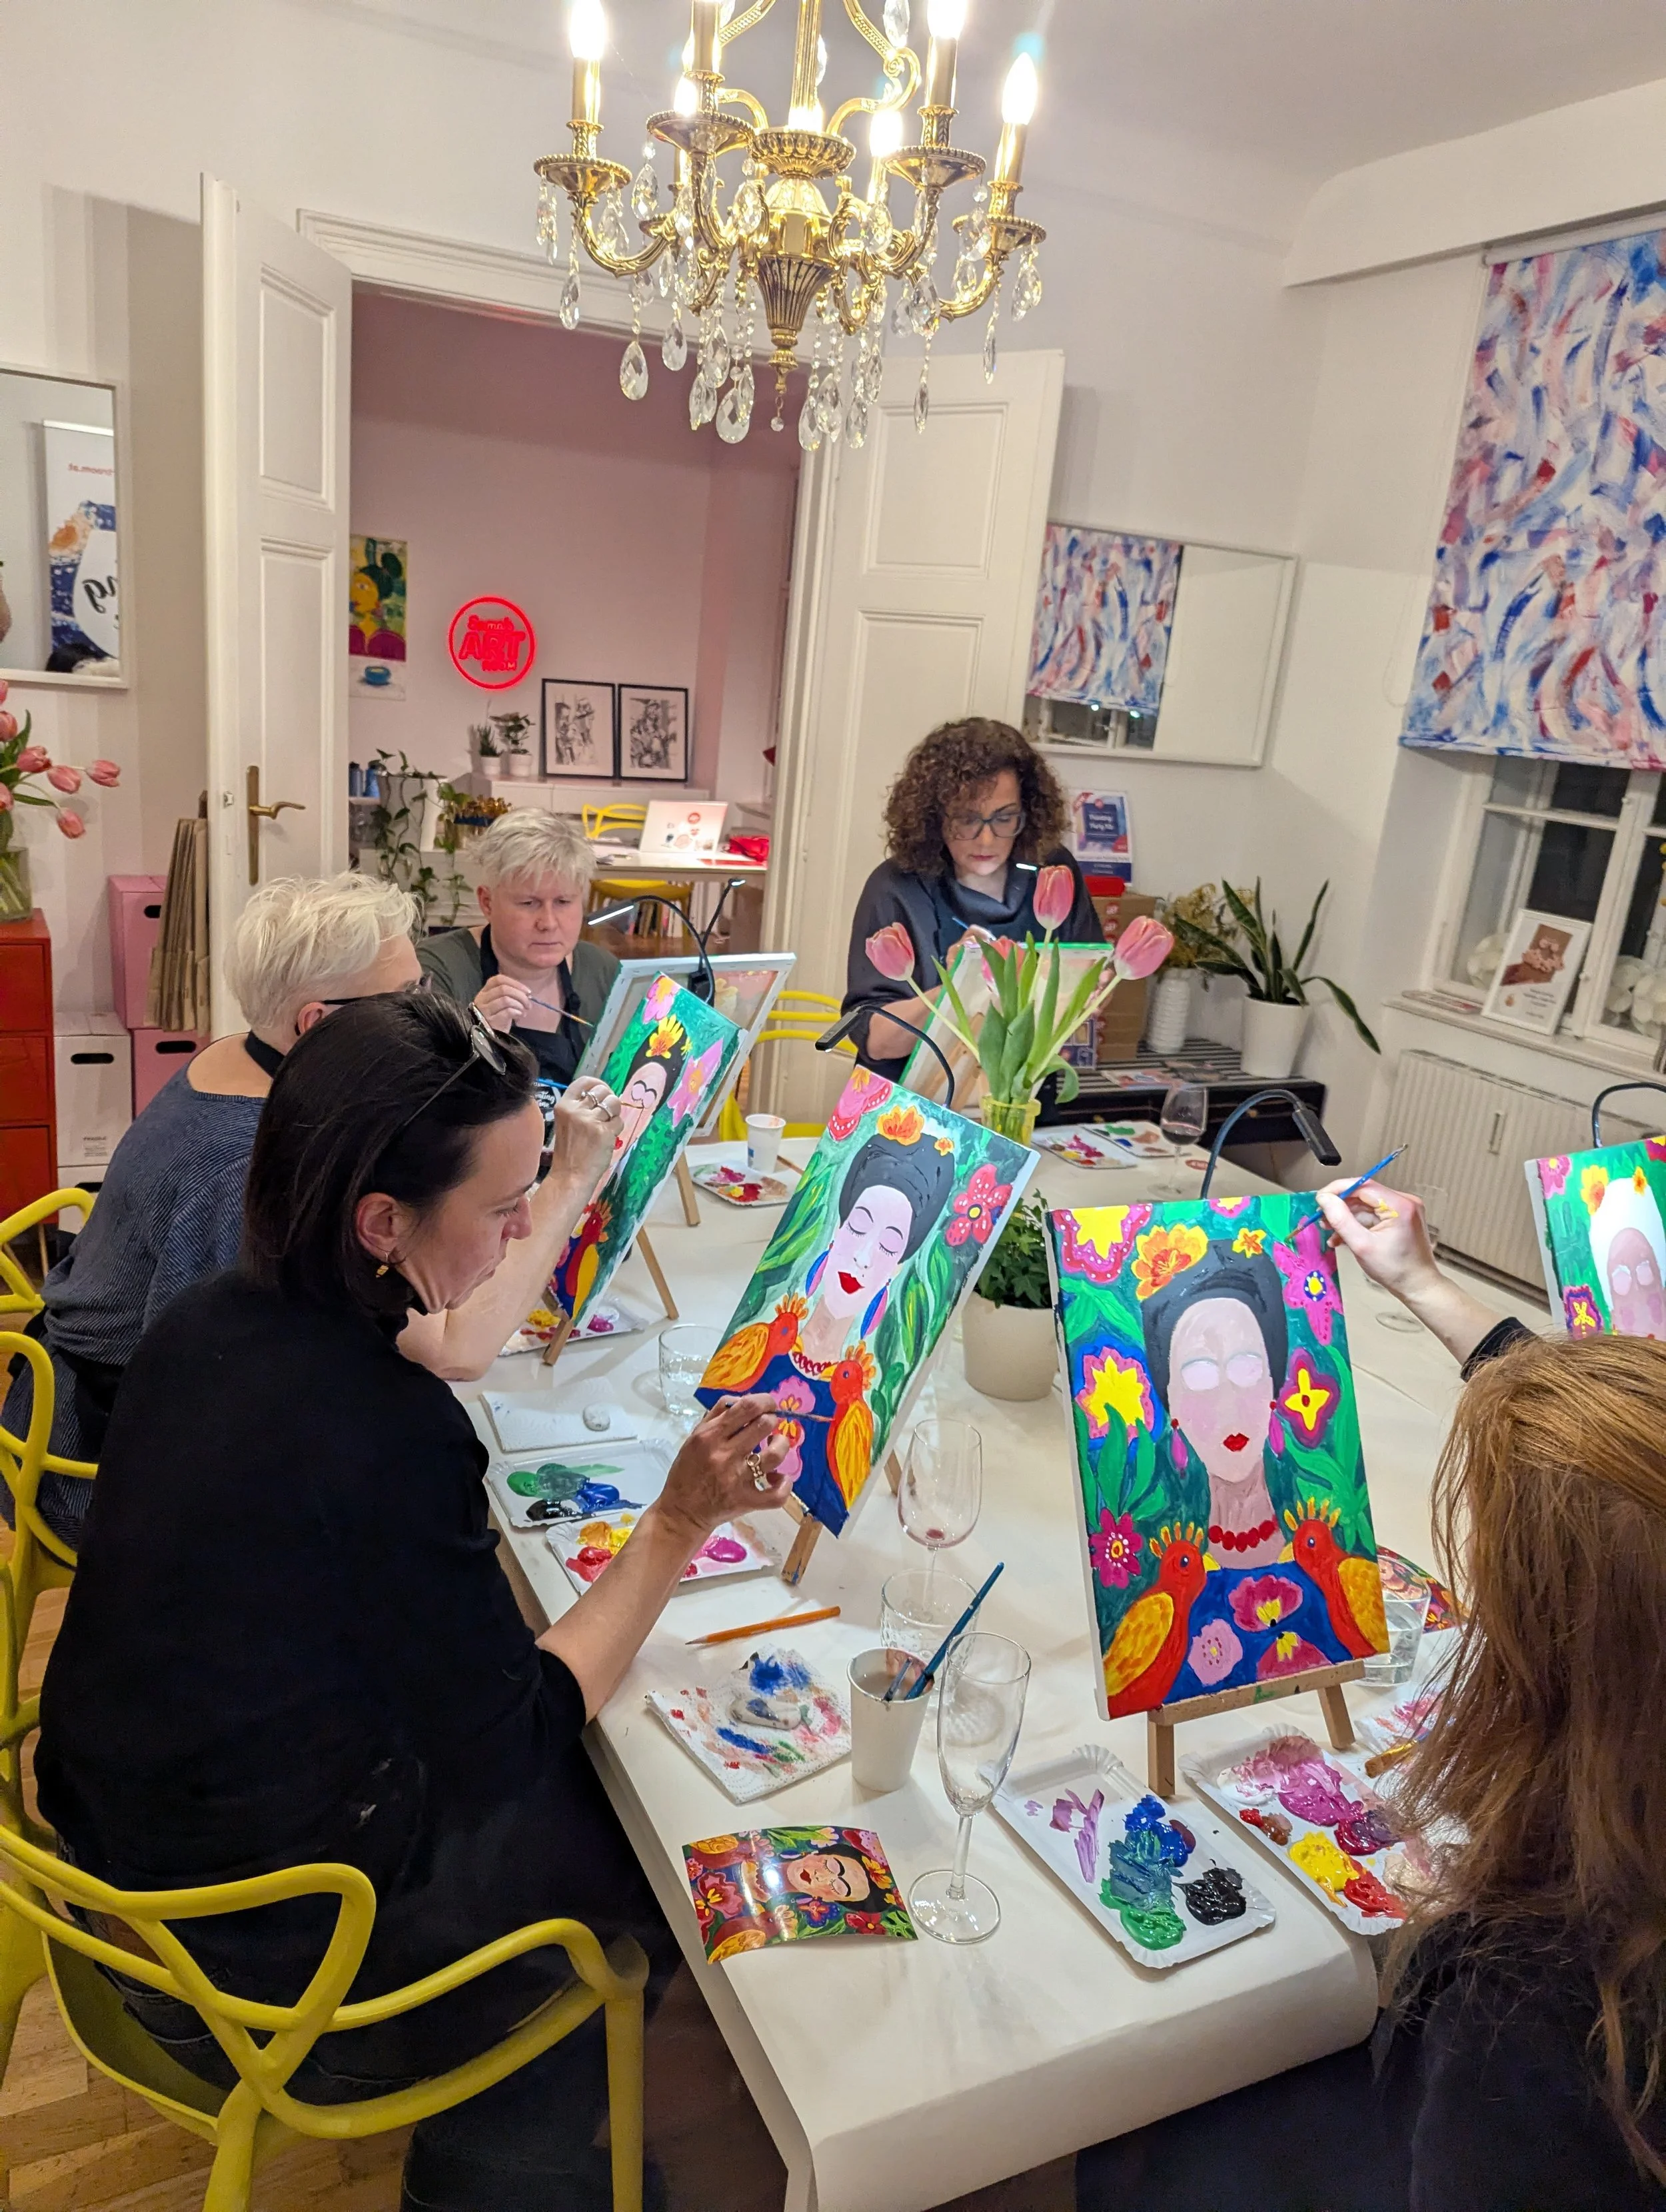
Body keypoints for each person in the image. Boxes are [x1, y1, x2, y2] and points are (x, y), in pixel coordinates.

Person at [35, 993, 795, 2212]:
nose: (515, 1242)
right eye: (504, 1210)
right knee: (640, 1859)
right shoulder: (382, 1435)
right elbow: (517, 1735)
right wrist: (673, 1526)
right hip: (244, 1965)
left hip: (106, 1865)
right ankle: (508, 2166)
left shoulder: (212, 1322)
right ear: (383, 1222)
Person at [1077, 1181, 1666, 2212]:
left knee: (1152, 2130)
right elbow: (1623, 1488)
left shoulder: (1543, 2007)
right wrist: (1424, 1283)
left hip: (1453, 2126)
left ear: (1562, 1653)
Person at [0, 873, 616, 1542]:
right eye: (408, 1000)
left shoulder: (247, 1058)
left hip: (122, 1396)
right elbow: (453, 1349)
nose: (438, 1012)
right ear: (318, 1023)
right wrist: (570, 1178)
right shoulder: (261, 1153)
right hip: (101, 1459)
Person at [842, 718, 1103, 1081]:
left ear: (1027, 813)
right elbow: (877, 1043)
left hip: (1021, 1096)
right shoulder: (896, 887)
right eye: (966, 821)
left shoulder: (1053, 871)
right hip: (910, 1108)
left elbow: (1088, 987)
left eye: (1004, 818)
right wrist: (960, 986)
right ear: (935, 817)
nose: (986, 840)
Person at [419, 810, 618, 1086]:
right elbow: (417, 1099)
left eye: (563, 902)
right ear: (487, 903)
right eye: (528, 903)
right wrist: (473, 1039)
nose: (548, 923)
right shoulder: (438, 971)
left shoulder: (603, 971)